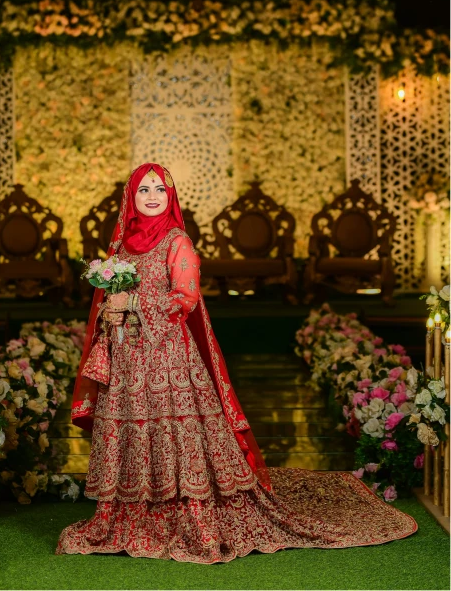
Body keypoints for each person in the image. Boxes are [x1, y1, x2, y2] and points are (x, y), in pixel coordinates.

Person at [57, 163, 417, 563]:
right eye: (144, 190)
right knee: (133, 428)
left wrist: (136, 303)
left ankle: (189, 513)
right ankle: (127, 513)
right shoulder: (121, 246)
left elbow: (185, 299)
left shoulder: (178, 242)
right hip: (127, 360)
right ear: (131, 198)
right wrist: (112, 309)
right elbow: (109, 299)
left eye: (160, 188)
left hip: (168, 359)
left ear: (171, 195)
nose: (153, 196)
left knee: (176, 431)